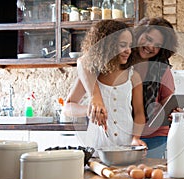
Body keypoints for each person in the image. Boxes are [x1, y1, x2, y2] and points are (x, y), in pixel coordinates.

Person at [82, 17, 178, 158]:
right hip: (124, 133)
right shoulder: (119, 61)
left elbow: (167, 101)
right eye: (148, 39)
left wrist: (173, 111)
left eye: (157, 45)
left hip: (154, 134)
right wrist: (94, 98)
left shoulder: (162, 70)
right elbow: (83, 62)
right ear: (138, 34)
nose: (151, 47)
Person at [62, 20, 146, 151]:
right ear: (107, 46)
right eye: (123, 45)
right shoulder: (90, 76)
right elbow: (67, 107)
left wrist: (136, 137)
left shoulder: (133, 76)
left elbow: (139, 113)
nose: (128, 50)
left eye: (130, 45)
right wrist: (88, 110)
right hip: (97, 145)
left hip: (126, 143)